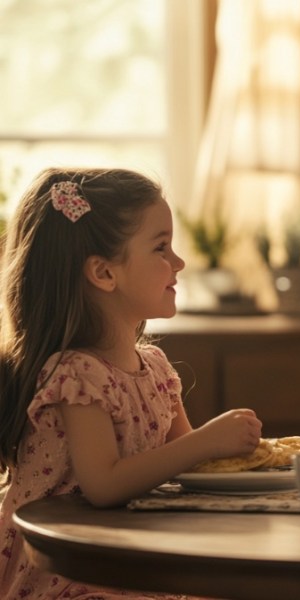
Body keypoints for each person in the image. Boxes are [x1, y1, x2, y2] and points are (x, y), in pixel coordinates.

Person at [0, 168, 263, 599]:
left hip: (129, 565)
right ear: (104, 274)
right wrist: (210, 440)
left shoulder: (156, 370)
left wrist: (260, 463)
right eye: (161, 247)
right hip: (72, 579)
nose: (178, 262)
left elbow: (192, 469)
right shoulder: (75, 375)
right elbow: (104, 484)